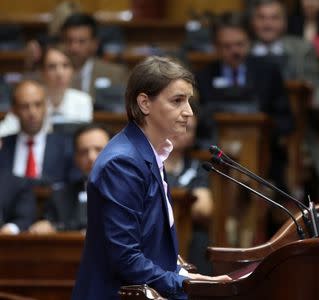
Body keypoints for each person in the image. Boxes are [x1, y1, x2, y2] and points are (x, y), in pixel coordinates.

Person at [72, 56, 230, 300]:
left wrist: (185, 276)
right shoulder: (122, 163)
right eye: (177, 101)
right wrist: (183, 285)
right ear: (145, 103)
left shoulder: (148, 153)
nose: (188, 112)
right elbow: (126, 258)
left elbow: (150, 248)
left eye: (188, 101)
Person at [195, 11, 294, 183]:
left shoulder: (268, 73)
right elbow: (199, 124)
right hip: (216, 157)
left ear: (249, 43)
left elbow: (286, 121)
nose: (235, 51)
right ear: (216, 47)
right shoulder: (202, 77)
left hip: (264, 157)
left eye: (239, 44)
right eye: (227, 46)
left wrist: (261, 127)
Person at [29, 124, 110, 233]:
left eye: (98, 149)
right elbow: (45, 227)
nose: (91, 157)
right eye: (83, 152)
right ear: (76, 158)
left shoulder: (133, 192)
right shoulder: (59, 198)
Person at [249, 0, 319, 108]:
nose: (267, 24)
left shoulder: (303, 49)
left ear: (284, 22)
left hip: (295, 114)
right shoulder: (243, 50)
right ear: (252, 22)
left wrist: (310, 101)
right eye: (261, 18)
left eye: (274, 18)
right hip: (252, 114)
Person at [0, 44, 93, 137]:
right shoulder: (31, 97)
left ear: (73, 70)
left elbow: (85, 137)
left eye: (65, 65)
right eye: (52, 67)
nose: (60, 73)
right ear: (42, 72)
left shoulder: (83, 100)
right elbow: (4, 130)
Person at [165, 112, 213, 274]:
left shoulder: (196, 167)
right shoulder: (150, 162)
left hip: (185, 231)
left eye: (188, 128)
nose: (180, 131)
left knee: (200, 240)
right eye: (176, 124)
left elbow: (204, 208)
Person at [0, 80, 74, 184]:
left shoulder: (66, 146)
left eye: (38, 105)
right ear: (14, 110)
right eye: (25, 106)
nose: (32, 112)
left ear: (46, 107)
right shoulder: (3, 147)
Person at [61, 12, 128, 98]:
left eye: (81, 41)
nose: (74, 48)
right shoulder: (52, 74)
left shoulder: (115, 74)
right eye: (69, 41)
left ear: (95, 44)